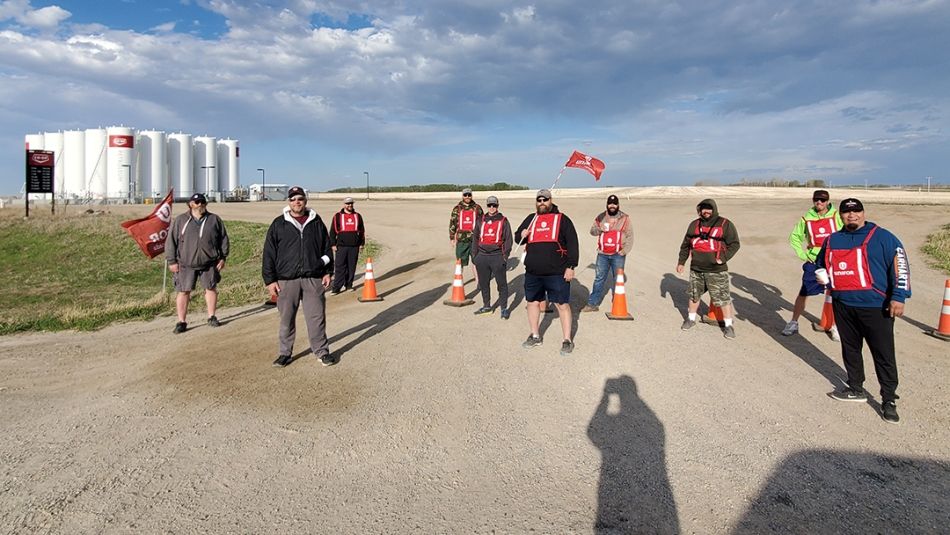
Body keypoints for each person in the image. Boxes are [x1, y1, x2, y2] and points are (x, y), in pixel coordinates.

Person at [816, 198, 911, 424]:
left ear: (863, 213)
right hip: (843, 305)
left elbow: (901, 267)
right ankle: (855, 388)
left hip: (875, 307)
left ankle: (889, 399)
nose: (852, 216)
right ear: (840, 215)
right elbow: (820, 263)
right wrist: (820, 274)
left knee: (883, 354)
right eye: (847, 212)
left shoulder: (884, 237)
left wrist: (899, 297)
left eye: (856, 211)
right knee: (850, 349)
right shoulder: (833, 239)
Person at [262, 186, 336, 368]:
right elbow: (269, 254)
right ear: (289, 202)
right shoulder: (279, 224)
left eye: (300, 198)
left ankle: (321, 351)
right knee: (286, 319)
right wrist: (270, 280)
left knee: (316, 317)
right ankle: (285, 353)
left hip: (313, 279)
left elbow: (327, 249)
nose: (297, 202)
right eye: (293, 199)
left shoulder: (316, 222)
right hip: (286, 280)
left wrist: (327, 271)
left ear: (305, 201)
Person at [514, 188, 579, 355]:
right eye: (539, 200)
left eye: (545, 200)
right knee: (532, 303)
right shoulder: (531, 218)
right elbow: (517, 239)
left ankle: (567, 340)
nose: (542, 203)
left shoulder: (562, 219)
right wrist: (522, 234)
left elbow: (572, 243)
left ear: (551, 201)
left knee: (562, 305)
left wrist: (571, 266)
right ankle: (535, 335)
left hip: (556, 272)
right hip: (533, 272)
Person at [165, 193, 229, 334]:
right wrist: (171, 261)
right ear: (190, 204)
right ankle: (182, 321)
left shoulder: (214, 220)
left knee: (211, 288)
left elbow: (223, 239)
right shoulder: (181, 220)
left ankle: (211, 316)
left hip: (209, 263)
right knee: (183, 291)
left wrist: (223, 257)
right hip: (185, 264)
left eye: (202, 202)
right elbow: (171, 241)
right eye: (197, 202)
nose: (200, 204)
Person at [676, 199, 741, 338]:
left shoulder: (725, 224)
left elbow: (734, 244)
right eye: (703, 209)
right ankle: (691, 319)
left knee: (723, 298)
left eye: (709, 209)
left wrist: (723, 258)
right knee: (694, 295)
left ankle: (729, 326)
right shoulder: (694, 224)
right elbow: (686, 245)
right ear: (699, 210)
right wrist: (681, 262)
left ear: (714, 209)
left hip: (717, 270)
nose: (706, 211)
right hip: (696, 269)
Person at [783, 189, 843, 339]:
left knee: (836, 292)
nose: (819, 203)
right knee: (804, 291)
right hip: (814, 259)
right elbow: (795, 237)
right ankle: (793, 322)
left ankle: (835, 325)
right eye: (816, 200)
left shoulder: (836, 216)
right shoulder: (806, 219)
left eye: (823, 200)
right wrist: (803, 254)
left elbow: (846, 233)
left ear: (828, 201)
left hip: (833, 259)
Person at [582, 194, 634, 312]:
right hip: (603, 254)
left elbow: (630, 236)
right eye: (610, 204)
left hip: (618, 255)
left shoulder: (625, 218)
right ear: (607, 204)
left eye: (614, 204)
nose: (612, 206)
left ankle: (617, 303)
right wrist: (600, 228)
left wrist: (624, 251)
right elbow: (592, 231)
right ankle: (592, 304)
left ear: (618, 205)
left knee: (618, 279)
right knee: (599, 278)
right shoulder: (600, 217)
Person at [471, 195, 513, 319]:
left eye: (494, 205)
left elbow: (508, 240)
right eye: (489, 205)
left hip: (497, 256)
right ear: (487, 206)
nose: (492, 207)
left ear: (497, 206)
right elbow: (475, 238)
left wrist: (504, 257)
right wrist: (475, 256)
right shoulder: (480, 220)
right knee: (484, 283)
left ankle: (504, 308)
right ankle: (487, 306)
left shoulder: (503, 220)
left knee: (502, 284)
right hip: (482, 257)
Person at [328, 197, 365, 294]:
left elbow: (362, 231)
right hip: (341, 246)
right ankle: (336, 288)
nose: (350, 205)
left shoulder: (358, 216)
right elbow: (332, 231)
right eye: (348, 204)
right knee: (340, 267)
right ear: (344, 204)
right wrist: (333, 244)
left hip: (354, 246)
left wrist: (361, 243)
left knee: (351, 266)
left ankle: (349, 285)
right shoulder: (337, 216)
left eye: (351, 204)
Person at [449, 188, 483, 283]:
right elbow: (453, 223)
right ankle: (459, 281)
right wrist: (452, 238)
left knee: (476, 261)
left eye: (469, 195)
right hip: (462, 240)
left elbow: (482, 223)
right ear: (462, 196)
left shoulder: (477, 208)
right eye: (465, 195)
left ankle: (478, 282)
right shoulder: (457, 208)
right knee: (460, 262)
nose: (467, 197)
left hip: (475, 240)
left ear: (471, 196)